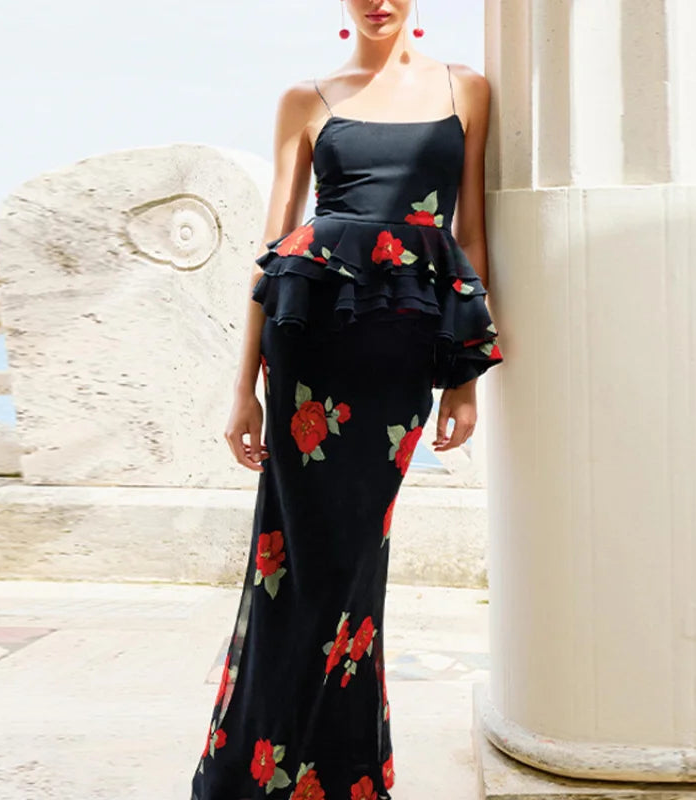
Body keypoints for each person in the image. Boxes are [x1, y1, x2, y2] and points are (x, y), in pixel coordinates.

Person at [191, 1, 506, 798]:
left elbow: (471, 237)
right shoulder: (306, 98)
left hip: (401, 343)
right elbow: (272, 251)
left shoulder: (466, 89)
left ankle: (337, 771)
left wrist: (464, 378)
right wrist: (242, 390)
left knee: (355, 558)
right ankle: (263, 772)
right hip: (309, 342)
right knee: (294, 559)